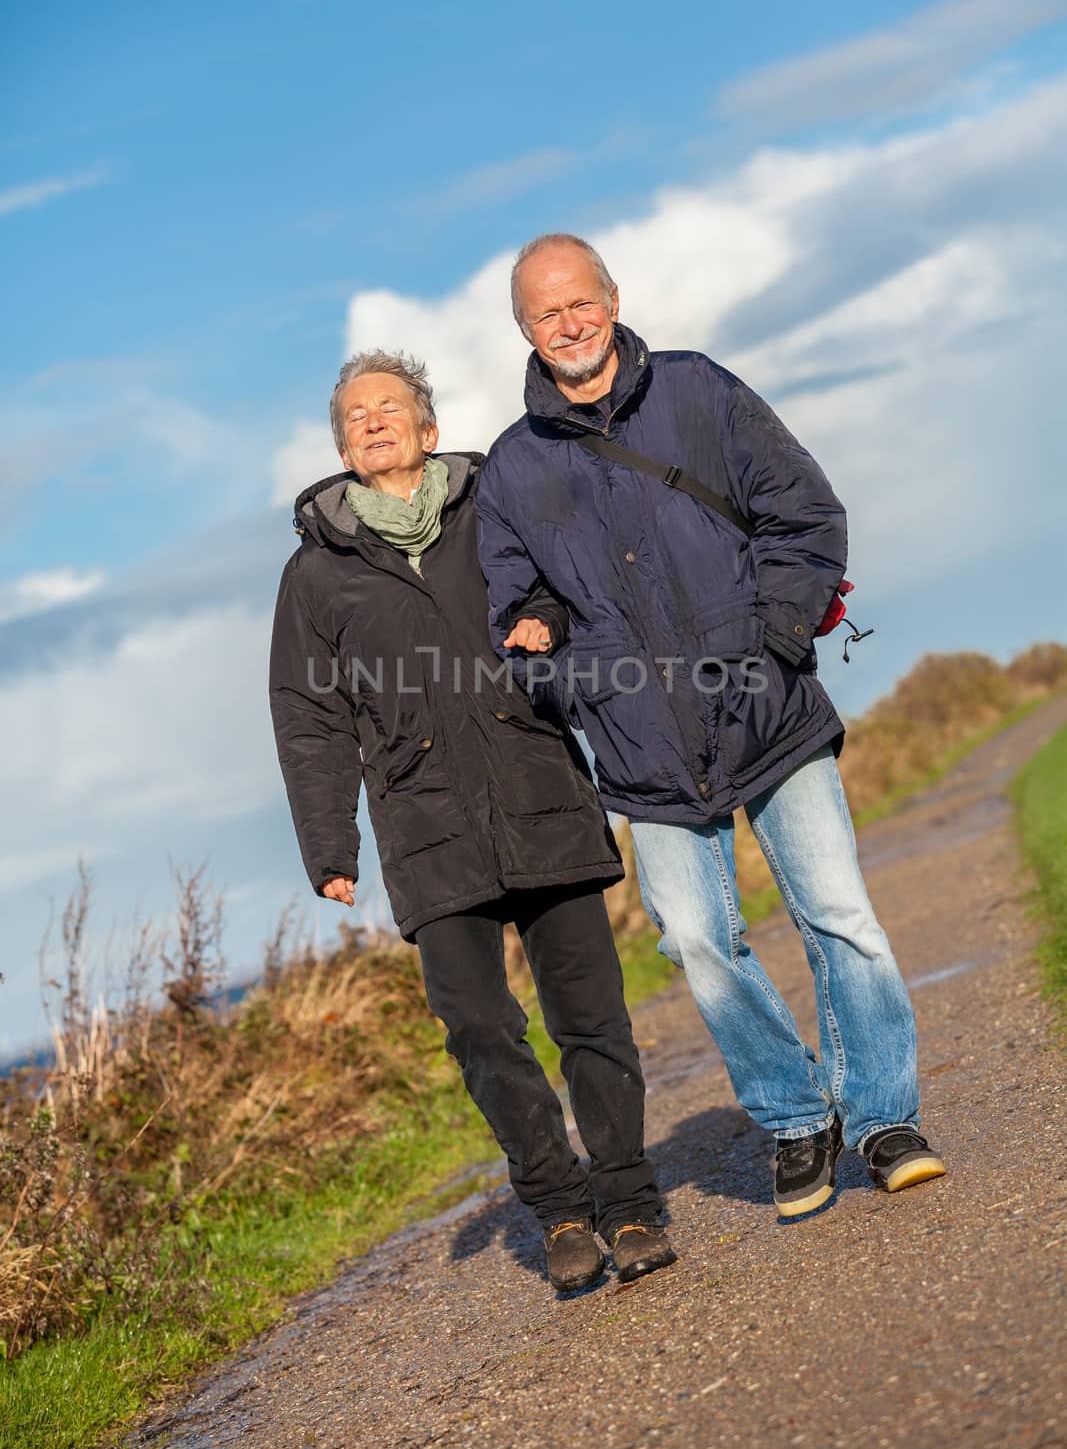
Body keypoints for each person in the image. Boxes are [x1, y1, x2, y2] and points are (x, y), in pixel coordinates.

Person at [476, 233, 946, 1218]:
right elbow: (516, 614)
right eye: (542, 314)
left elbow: (803, 513)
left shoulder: (697, 390)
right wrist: (559, 668)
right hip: (642, 748)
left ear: (610, 297)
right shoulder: (513, 470)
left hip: (766, 705)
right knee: (696, 941)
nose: (565, 325)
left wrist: (773, 635)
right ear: (522, 329)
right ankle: (791, 1117)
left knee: (838, 917)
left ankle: (882, 1118)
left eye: (578, 303)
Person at [268, 348, 676, 1290]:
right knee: (478, 1028)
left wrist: (544, 620)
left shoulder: (496, 508)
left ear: (428, 430)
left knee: (590, 1018)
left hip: (537, 787)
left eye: (389, 408)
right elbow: (308, 712)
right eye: (354, 417)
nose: (372, 423)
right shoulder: (315, 574)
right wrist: (330, 842)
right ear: (341, 446)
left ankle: (628, 1202)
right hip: (425, 824)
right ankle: (561, 1208)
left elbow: (567, 585)